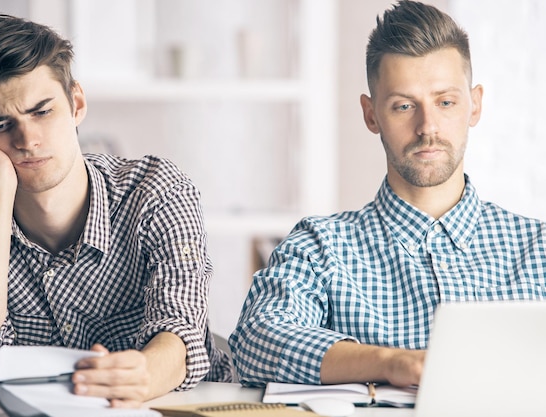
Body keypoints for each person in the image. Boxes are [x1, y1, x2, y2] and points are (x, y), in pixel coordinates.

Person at [229, 0, 546, 388]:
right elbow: (255, 340)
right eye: (403, 106)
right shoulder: (319, 245)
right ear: (371, 114)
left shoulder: (539, 249)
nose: (427, 126)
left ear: (474, 105)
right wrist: (389, 363)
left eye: (446, 102)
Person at [0, 13, 232, 406]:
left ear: (77, 104)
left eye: (42, 111)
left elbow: (181, 331)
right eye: (0, 124)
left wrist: (143, 374)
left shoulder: (157, 192)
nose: (27, 140)